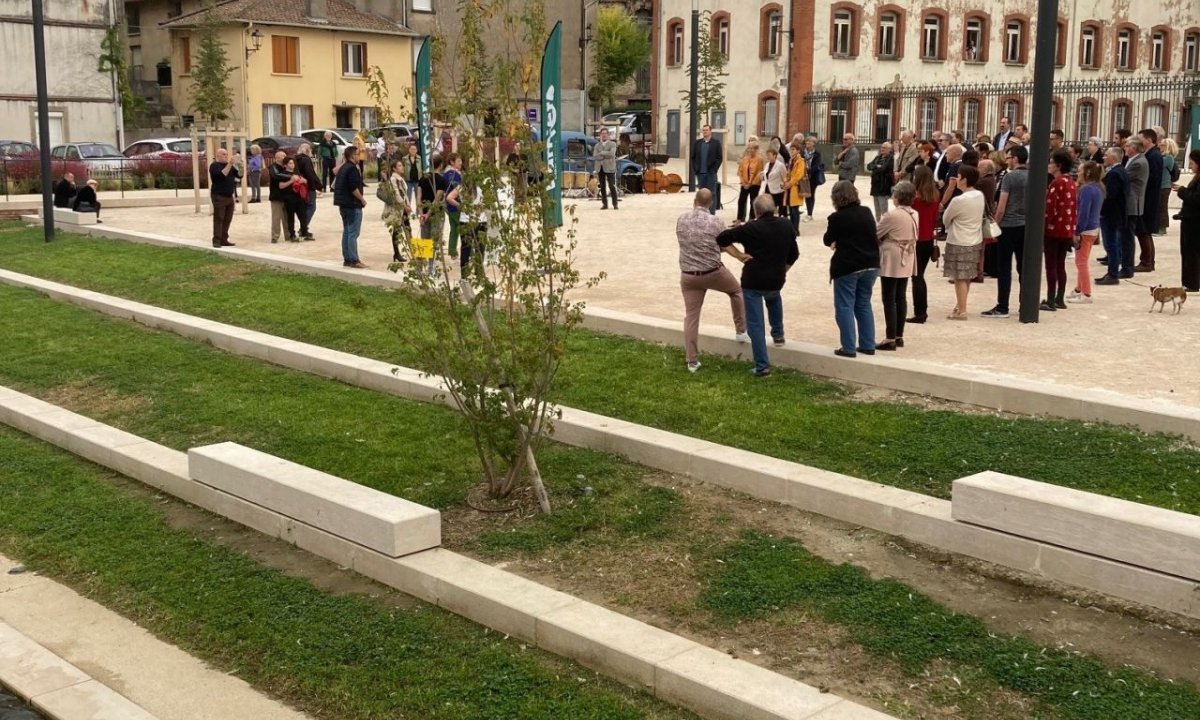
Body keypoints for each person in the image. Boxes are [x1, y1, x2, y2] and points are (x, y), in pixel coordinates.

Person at [715, 194, 799, 377]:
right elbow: (794, 253)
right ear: (775, 209)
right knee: (774, 298)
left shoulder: (750, 228)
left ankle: (762, 365)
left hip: (753, 280)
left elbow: (721, 239)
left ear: (755, 211)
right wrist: (783, 269)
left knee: (755, 324)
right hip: (776, 278)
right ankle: (778, 334)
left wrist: (738, 255)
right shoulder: (786, 225)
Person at [676, 188, 748, 372]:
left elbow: (688, 241)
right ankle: (741, 330)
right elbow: (724, 243)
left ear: (694, 201)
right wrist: (740, 255)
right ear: (711, 203)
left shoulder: (681, 220)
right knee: (736, 291)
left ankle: (691, 361)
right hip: (713, 272)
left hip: (689, 276)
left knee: (691, 316)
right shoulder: (716, 222)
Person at [823, 181, 879, 357]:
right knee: (863, 304)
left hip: (848, 265)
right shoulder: (866, 212)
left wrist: (837, 241)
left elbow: (827, 239)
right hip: (870, 263)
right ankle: (868, 344)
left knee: (845, 305)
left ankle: (848, 347)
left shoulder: (836, 217)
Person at [982, 146, 1028, 318]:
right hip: (1025, 226)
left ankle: (1003, 306)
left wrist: (995, 224)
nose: (1007, 160)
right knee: (1023, 267)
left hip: (1008, 226)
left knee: (1004, 268)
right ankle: (1025, 303)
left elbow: (1001, 206)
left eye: (1008, 157)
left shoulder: (1010, 177)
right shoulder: (1032, 176)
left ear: (1015, 158)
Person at [875, 181, 918, 351]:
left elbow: (876, 233)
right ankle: (899, 335)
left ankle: (890, 337)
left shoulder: (892, 215)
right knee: (900, 296)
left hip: (892, 255)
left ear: (897, 196)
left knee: (889, 298)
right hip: (907, 254)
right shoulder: (915, 213)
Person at [941, 165, 984, 320]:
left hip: (959, 239)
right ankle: (960, 304)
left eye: (958, 177)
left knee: (959, 277)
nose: (957, 180)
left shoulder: (959, 200)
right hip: (974, 238)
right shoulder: (979, 195)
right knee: (967, 275)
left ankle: (963, 310)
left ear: (964, 179)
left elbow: (946, 219)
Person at [1041, 150, 1078, 311]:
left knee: (1051, 265)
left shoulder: (1056, 183)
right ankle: (1059, 298)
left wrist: (1043, 226)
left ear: (1058, 165)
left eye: (1051, 162)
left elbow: (1050, 209)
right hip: (1067, 229)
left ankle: (1050, 299)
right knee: (1060, 264)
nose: (1049, 165)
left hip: (1054, 230)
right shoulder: (1071, 182)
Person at [907, 166, 939, 324]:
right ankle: (921, 310)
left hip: (916, 240)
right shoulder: (934, 197)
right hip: (928, 240)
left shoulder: (915, 200)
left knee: (916, 278)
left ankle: (920, 312)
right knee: (919, 276)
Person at [1069, 161, 1103, 304]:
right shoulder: (1099, 187)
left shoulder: (1087, 189)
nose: (1078, 172)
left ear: (1087, 173)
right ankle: (1079, 288)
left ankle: (1087, 293)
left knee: (1081, 262)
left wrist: (1077, 230)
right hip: (1093, 228)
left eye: (1080, 170)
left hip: (1085, 229)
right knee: (1082, 260)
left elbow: (1083, 213)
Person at [1095, 147, 1128, 286]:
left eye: (1107, 155)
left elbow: (1110, 196)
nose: (1104, 157)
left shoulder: (1115, 173)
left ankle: (1113, 274)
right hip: (1115, 213)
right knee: (1111, 244)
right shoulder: (1119, 171)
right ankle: (1111, 272)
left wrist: (1101, 210)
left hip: (1111, 214)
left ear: (1114, 157)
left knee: (1111, 244)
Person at [333, 146, 367, 268]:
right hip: (352, 205)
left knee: (347, 232)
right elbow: (353, 188)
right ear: (352, 156)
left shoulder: (343, 168)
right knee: (352, 233)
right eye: (358, 154)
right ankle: (353, 259)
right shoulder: (352, 169)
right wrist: (362, 199)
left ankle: (347, 258)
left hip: (343, 205)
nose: (360, 156)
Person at [417, 153, 450, 277]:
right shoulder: (442, 180)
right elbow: (437, 199)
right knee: (435, 241)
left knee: (424, 240)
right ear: (440, 165)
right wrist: (429, 214)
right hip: (436, 213)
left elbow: (418, 197)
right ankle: (431, 268)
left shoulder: (423, 178)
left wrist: (422, 214)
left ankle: (420, 268)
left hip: (424, 212)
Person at [1135, 128, 1162, 271]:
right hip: (1146, 197)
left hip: (1149, 198)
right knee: (1143, 230)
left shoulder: (1154, 156)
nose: (1139, 142)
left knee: (1144, 230)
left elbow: (1153, 178)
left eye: (1141, 139)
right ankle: (1147, 260)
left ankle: (1147, 262)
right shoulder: (1149, 154)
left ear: (1149, 140)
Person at [1174, 149, 1200, 292]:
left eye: (1192, 163)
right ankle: (1188, 282)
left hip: (1195, 222)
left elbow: (1196, 199)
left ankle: (1192, 283)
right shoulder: (1196, 177)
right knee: (1187, 252)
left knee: (1192, 253)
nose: (1190, 166)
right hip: (1189, 220)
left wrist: (1182, 191)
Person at [1123, 137, 1149, 279]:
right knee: (1126, 236)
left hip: (1132, 204)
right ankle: (1126, 264)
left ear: (1133, 148)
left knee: (1128, 237)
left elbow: (1123, 177)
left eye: (1127, 146)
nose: (1125, 148)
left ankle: (1127, 268)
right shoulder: (1133, 160)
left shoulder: (1138, 162)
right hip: (1130, 202)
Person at [208, 147, 240, 247]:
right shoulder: (214, 166)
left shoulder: (229, 166)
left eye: (226, 154)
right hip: (219, 195)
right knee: (219, 218)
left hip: (229, 196)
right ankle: (216, 240)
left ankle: (224, 239)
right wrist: (230, 164)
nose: (226, 156)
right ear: (217, 156)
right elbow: (222, 175)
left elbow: (239, 175)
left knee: (227, 219)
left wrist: (240, 165)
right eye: (223, 154)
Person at [381, 158, 411, 264]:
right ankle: (397, 252)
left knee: (407, 228)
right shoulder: (394, 179)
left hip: (403, 208)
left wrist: (407, 204)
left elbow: (404, 193)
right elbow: (397, 194)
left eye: (401, 165)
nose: (402, 167)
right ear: (394, 168)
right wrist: (404, 205)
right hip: (398, 208)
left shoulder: (400, 178)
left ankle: (411, 251)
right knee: (397, 230)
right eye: (399, 165)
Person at [692, 124, 723, 214]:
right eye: (703, 130)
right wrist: (695, 169)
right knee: (701, 193)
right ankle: (702, 212)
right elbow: (693, 157)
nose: (705, 131)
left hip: (711, 173)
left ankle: (712, 213)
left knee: (712, 193)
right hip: (700, 173)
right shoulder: (697, 143)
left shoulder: (716, 143)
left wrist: (714, 169)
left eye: (706, 130)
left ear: (710, 131)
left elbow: (719, 157)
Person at [294, 143, 321, 235]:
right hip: (307, 186)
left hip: (298, 186)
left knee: (305, 207)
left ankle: (303, 228)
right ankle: (303, 228)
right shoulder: (306, 160)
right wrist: (316, 185)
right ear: (308, 151)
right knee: (311, 207)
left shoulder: (295, 159)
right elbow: (310, 174)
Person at [784, 135, 809, 231]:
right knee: (791, 209)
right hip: (790, 187)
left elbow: (799, 175)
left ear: (798, 151)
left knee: (795, 210)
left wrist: (790, 183)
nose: (791, 152)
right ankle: (792, 228)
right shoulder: (792, 160)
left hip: (796, 187)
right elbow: (789, 173)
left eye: (793, 150)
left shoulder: (800, 161)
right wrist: (786, 181)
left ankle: (796, 229)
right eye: (791, 150)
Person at [735, 141, 763, 225]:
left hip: (754, 184)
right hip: (744, 184)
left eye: (752, 148)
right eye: (749, 148)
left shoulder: (759, 159)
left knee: (753, 201)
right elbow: (740, 171)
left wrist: (750, 183)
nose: (750, 150)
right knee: (741, 201)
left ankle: (752, 219)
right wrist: (743, 182)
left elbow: (758, 172)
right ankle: (739, 219)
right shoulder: (745, 159)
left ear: (756, 149)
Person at [267, 151, 290, 243]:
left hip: (287, 196)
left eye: (285, 155)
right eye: (283, 156)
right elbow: (276, 176)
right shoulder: (273, 167)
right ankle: (275, 237)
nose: (285, 157)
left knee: (288, 217)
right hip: (276, 196)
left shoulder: (287, 167)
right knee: (276, 218)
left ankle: (289, 235)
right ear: (277, 158)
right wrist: (291, 176)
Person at [593, 127, 619, 210]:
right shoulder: (597, 145)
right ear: (600, 135)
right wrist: (604, 155)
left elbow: (612, 154)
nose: (604, 135)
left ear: (608, 135)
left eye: (605, 133)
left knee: (612, 185)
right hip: (600, 167)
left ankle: (615, 204)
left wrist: (602, 153)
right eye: (602, 134)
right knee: (602, 187)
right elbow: (595, 156)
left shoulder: (613, 144)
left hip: (610, 167)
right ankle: (605, 204)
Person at [868, 142, 895, 220]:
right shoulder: (878, 157)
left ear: (889, 149)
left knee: (883, 207)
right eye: (882, 147)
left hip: (883, 186)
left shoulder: (891, 158)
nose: (882, 149)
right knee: (876, 206)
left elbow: (883, 169)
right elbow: (869, 166)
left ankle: (885, 223)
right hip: (875, 185)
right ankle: (878, 222)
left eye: (884, 148)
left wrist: (875, 168)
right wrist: (876, 166)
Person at [443, 152, 464, 256]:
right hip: (454, 204)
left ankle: (452, 251)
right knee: (463, 228)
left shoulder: (451, 172)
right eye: (458, 161)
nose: (461, 163)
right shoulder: (452, 173)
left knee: (454, 228)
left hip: (450, 205)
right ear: (452, 162)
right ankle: (468, 252)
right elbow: (456, 186)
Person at [1158, 137, 1178, 235]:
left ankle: (1163, 228)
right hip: (1161, 186)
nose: (1160, 146)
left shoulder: (1168, 158)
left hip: (1164, 186)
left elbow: (1158, 164)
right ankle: (1159, 226)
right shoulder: (1163, 156)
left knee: (1162, 207)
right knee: (1159, 206)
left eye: (1162, 145)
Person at [760, 148, 788, 213]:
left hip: (778, 189)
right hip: (768, 188)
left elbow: (785, 177)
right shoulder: (767, 165)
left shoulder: (780, 165)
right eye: (767, 155)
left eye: (769, 155)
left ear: (775, 155)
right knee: (769, 206)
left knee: (781, 206)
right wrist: (762, 175)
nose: (768, 157)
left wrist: (785, 187)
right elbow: (766, 175)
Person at [803, 136, 824, 220]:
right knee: (806, 194)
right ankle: (809, 212)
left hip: (813, 177)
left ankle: (809, 214)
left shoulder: (817, 154)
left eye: (810, 141)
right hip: (804, 177)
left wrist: (808, 172)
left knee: (811, 194)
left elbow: (817, 166)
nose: (807, 142)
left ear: (814, 144)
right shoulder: (802, 152)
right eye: (807, 141)